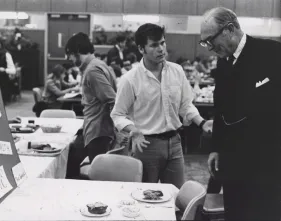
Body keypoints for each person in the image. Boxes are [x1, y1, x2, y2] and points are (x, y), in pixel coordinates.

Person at [200, 7, 281, 221]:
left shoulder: (272, 53)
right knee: (236, 214)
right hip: (232, 164)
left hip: (267, 165)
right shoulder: (223, 60)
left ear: (230, 29)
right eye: (205, 42)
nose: (209, 48)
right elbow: (221, 109)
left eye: (210, 40)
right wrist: (216, 148)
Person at [111, 23, 212, 188]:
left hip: (175, 143)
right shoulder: (130, 79)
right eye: (154, 45)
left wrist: (201, 122)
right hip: (146, 145)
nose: (161, 49)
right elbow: (117, 114)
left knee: (175, 197)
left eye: (163, 43)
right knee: (144, 198)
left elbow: (186, 105)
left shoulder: (177, 71)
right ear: (141, 49)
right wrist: (133, 130)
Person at [65, 32, 117, 163]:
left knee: (96, 176)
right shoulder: (100, 64)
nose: (69, 59)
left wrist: (118, 131)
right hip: (98, 130)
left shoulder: (92, 71)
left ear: (76, 51)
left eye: (69, 55)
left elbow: (113, 100)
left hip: (98, 133)